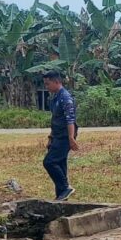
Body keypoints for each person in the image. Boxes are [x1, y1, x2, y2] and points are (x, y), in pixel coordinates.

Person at [42, 71, 78, 201]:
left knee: (49, 162)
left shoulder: (65, 98)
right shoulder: (55, 98)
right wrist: (51, 137)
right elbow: (55, 119)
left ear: (57, 82)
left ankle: (65, 188)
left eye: (48, 84)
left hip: (65, 135)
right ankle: (61, 196)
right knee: (60, 163)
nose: (46, 87)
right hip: (57, 135)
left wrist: (71, 138)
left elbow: (70, 120)